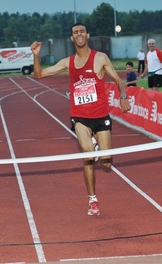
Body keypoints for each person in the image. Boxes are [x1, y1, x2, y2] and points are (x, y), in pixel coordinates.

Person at [30, 23, 131, 216]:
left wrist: (123, 96)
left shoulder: (100, 58)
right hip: (80, 116)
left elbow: (119, 80)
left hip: (101, 115)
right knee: (88, 157)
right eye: (75, 32)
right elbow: (39, 74)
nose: (79, 34)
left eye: (82, 31)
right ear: (71, 38)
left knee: (107, 163)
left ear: (87, 35)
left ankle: (96, 144)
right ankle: (92, 199)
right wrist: (35, 56)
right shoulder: (68, 62)